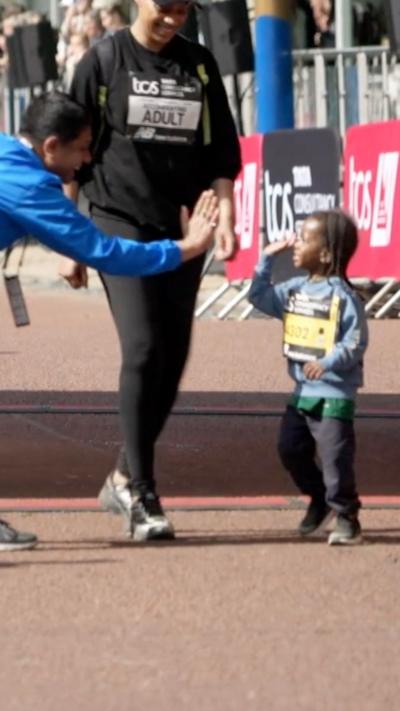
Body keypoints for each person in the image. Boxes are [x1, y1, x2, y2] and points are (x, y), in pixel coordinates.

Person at [0, 91, 218, 551]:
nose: (86, 161)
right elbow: (105, 253)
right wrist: (186, 248)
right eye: (81, 148)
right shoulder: (29, 184)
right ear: (51, 146)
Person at [62, 0, 241, 542]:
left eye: (183, 11)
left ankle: (121, 473)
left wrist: (226, 216)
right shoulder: (102, 59)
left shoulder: (201, 66)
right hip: (116, 218)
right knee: (141, 348)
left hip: (185, 226)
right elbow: (70, 148)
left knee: (172, 356)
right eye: (164, 8)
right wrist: (70, 237)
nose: (172, 19)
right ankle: (143, 492)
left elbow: (221, 154)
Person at [248, 210, 368, 545]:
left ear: (327, 253)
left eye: (304, 238)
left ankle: (346, 516)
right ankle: (319, 499)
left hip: (334, 395)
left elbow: (356, 341)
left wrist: (328, 361)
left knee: (335, 460)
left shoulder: (344, 296)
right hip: (302, 392)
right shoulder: (295, 290)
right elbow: (258, 298)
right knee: (290, 449)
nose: (296, 244)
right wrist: (265, 260)